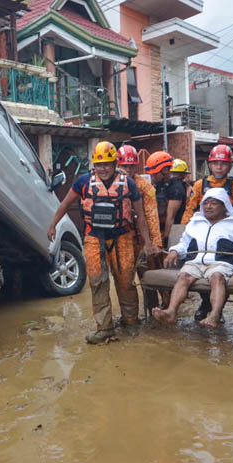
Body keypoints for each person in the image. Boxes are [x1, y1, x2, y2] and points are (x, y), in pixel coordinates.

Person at [48, 141, 160, 344]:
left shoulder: (129, 184)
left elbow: (141, 216)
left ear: (115, 163)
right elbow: (65, 204)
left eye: (108, 164)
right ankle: (105, 328)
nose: (103, 168)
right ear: (94, 165)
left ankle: (131, 321)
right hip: (94, 238)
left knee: (125, 281)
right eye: (99, 164)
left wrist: (149, 243)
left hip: (123, 238)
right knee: (98, 282)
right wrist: (53, 225)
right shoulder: (83, 182)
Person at [151, 188, 233, 329]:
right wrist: (174, 251)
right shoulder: (195, 223)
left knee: (217, 277)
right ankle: (171, 312)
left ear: (224, 206)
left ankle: (214, 315)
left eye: (214, 203)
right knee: (183, 276)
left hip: (221, 263)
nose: (208, 206)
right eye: (206, 203)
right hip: (196, 262)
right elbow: (184, 243)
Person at [179, 144, 233, 322]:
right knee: (200, 264)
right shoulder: (199, 185)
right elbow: (190, 209)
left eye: (223, 163)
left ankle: (216, 310)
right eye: (215, 163)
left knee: (219, 271)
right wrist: (184, 230)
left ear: (230, 165)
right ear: (210, 164)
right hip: (205, 232)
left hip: (228, 234)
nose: (219, 167)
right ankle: (206, 304)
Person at [118, 145, 163, 312]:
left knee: (148, 279)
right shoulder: (111, 182)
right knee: (124, 281)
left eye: (131, 166)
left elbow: (152, 215)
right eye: (124, 166)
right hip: (121, 241)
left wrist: (155, 243)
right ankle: (130, 317)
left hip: (142, 241)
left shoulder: (145, 186)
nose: (128, 170)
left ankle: (153, 313)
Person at [143, 151, 189, 245]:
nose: (153, 176)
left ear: (165, 170)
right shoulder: (159, 185)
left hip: (174, 231)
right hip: (158, 229)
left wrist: (166, 239)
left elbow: (170, 217)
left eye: (155, 174)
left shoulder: (176, 188)